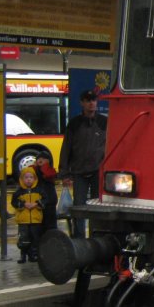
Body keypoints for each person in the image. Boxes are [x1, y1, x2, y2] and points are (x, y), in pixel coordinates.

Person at [59, 89, 107, 237]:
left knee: (97, 207)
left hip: (98, 172)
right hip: (79, 172)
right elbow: (66, 148)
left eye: (93, 100)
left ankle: (96, 236)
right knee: (79, 207)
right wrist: (64, 173)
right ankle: (79, 238)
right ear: (82, 103)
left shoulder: (104, 122)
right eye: (88, 100)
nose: (91, 103)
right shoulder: (74, 124)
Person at [11, 166, 44, 263]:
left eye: (31, 177)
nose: (29, 180)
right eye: (26, 177)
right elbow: (14, 202)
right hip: (23, 220)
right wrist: (23, 204)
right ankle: (23, 255)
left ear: (34, 179)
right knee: (24, 238)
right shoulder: (19, 192)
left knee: (35, 238)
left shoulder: (39, 190)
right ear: (22, 179)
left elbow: (45, 200)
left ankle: (33, 255)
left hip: (35, 219)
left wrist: (36, 204)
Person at [34, 151, 59, 232]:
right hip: (39, 201)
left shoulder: (50, 170)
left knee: (51, 225)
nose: (40, 161)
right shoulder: (34, 170)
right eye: (39, 159)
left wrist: (45, 166)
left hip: (50, 201)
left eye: (43, 159)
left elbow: (49, 174)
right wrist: (36, 165)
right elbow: (27, 173)